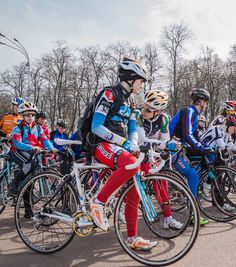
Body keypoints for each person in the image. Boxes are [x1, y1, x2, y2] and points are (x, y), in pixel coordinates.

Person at [88, 57, 158, 250]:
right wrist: (124, 143)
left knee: (135, 188)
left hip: (119, 146)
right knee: (130, 163)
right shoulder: (109, 94)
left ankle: (132, 238)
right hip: (102, 145)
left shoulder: (131, 103)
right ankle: (98, 201)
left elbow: (133, 129)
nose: (142, 86)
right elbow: (96, 127)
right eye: (141, 81)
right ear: (130, 79)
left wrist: (133, 144)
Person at [135, 89, 183, 229]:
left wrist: (169, 146)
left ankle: (168, 219)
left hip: (149, 152)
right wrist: (163, 144)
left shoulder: (164, 119)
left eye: (148, 110)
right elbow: (142, 140)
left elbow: (165, 141)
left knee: (162, 182)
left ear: (158, 111)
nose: (144, 111)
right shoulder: (138, 115)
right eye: (144, 106)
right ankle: (122, 205)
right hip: (135, 149)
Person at [169, 88, 212, 225]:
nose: (206, 105)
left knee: (210, 155)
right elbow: (187, 135)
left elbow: (196, 136)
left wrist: (205, 147)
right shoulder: (190, 111)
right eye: (206, 102)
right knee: (193, 176)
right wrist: (202, 148)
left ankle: (194, 185)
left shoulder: (194, 113)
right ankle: (192, 215)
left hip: (179, 148)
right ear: (201, 101)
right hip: (170, 149)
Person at [8, 102, 57, 210]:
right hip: (17, 151)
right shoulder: (17, 128)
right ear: (22, 115)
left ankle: (28, 210)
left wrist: (52, 148)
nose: (30, 117)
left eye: (32, 115)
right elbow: (17, 143)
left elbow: (45, 140)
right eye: (27, 115)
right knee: (29, 164)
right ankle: (13, 184)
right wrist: (31, 147)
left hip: (31, 152)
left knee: (29, 180)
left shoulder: (38, 128)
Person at [200, 113, 236, 212]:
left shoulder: (227, 134)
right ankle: (207, 185)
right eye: (235, 128)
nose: (235, 131)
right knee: (220, 167)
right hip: (201, 153)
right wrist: (234, 149)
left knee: (220, 174)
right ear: (228, 125)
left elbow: (231, 147)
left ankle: (220, 202)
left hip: (211, 156)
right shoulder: (217, 129)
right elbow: (223, 146)